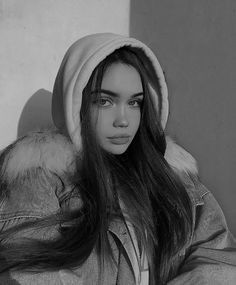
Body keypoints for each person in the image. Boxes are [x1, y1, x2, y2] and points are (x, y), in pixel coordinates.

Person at [0, 33, 236, 284]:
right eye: (104, 101)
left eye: (134, 102)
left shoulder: (171, 175)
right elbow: (31, 273)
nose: (123, 120)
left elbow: (218, 258)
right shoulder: (39, 176)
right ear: (73, 101)